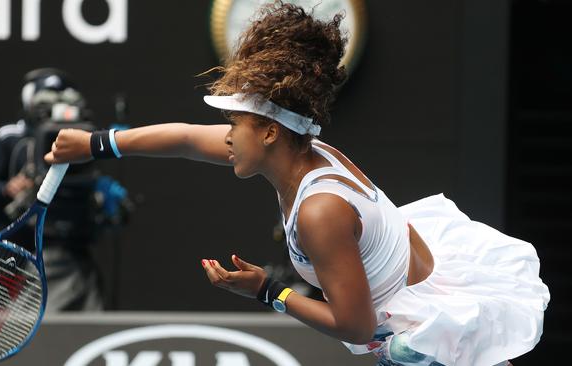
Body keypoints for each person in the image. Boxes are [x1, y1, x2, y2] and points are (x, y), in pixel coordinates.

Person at [44, 2, 549, 365]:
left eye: (234, 124)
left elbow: (353, 324)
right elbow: (181, 138)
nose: (225, 136)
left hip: (426, 342)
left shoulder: (319, 212)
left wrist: (269, 292)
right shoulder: (303, 150)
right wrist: (96, 144)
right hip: (419, 318)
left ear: (268, 132)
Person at [0, 67, 126, 312]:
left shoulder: (86, 138)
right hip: (22, 250)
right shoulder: (10, 137)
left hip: (75, 251)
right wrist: (9, 188)